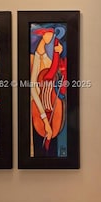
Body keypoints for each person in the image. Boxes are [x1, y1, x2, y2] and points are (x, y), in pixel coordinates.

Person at [29, 27, 67, 157]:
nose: (49, 37)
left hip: (55, 102)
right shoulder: (39, 57)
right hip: (40, 107)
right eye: (47, 34)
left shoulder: (54, 53)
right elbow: (33, 88)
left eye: (51, 34)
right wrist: (44, 119)